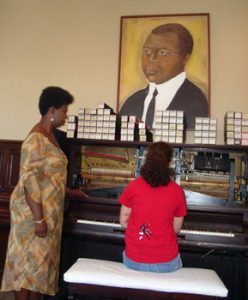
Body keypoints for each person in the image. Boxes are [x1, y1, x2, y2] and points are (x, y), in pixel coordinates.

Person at [0, 86, 87, 300]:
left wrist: (70, 192)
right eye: (64, 111)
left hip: (48, 216)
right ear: (51, 110)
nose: (66, 116)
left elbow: (49, 179)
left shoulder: (51, 137)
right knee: (27, 272)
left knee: (39, 274)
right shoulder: (35, 139)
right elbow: (29, 181)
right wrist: (39, 219)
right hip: (32, 217)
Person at [119, 23, 209, 129]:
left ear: (185, 58)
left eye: (163, 53)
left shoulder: (197, 102)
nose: (151, 59)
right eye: (147, 51)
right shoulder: (132, 102)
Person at [119, 142, 186, 272]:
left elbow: (123, 222)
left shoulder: (133, 186)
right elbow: (176, 229)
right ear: (170, 162)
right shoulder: (177, 191)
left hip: (134, 260)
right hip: (166, 262)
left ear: (146, 160)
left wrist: (141, 227)